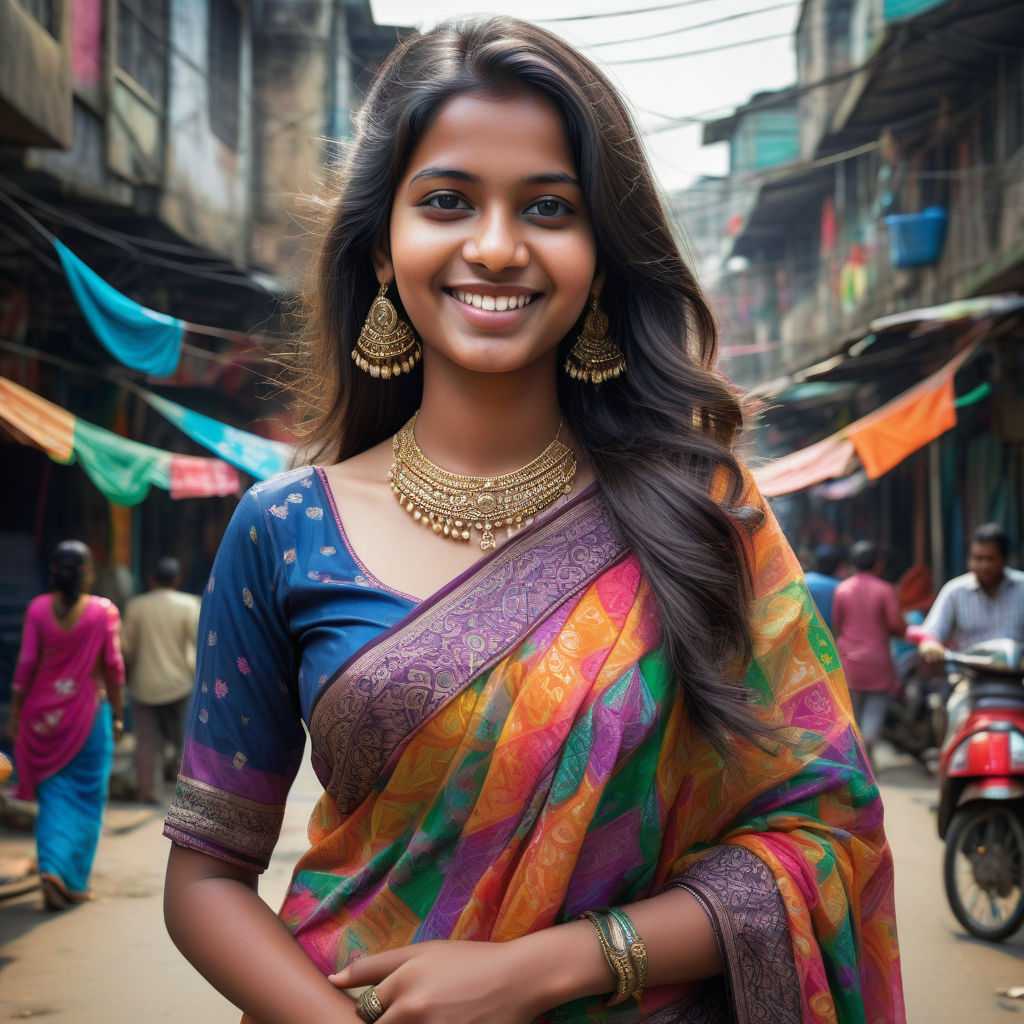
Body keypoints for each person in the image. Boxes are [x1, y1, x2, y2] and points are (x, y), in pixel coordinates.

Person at [162, 18, 904, 1024]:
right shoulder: (282, 529)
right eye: (446, 202)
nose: (497, 246)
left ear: (599, 257)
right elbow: (204, 880)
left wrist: (551, 964)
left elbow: (826, 835)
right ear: (383, 247)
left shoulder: (699, 519)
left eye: (548, 208)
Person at [6, 540, 124, 910]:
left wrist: (15, 715)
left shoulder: (38, 609)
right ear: (88, 572)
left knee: (52, 795)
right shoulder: (103, 611)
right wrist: (119, 716)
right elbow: (114, 669)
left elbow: (25, 665)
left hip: (40, 716)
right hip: (88, 715)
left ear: (53, 572)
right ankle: (68, 878)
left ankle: (52, 867)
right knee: (87, 799)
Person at [122, 556, 201, 804]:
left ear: (151, 579)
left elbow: (126, 649)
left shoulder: (136, 606)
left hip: (143, 685)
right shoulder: (189, 605)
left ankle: (147, 791)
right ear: (177, 579)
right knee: (184, 740)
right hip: (180, 684)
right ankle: (186, 794)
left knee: (146, 741)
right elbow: (200, 644)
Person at [832, 541, 906, 768]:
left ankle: (857, 757)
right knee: (875, 707)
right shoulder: (885, 589)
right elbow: (896, 625)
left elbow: (837, 625)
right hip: (878, 660)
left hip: (849, 660)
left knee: (853, 711)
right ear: (878, 564)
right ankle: (870, 742)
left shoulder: (842, 589)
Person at [918, 523, 1024, 661]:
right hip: (967, 676)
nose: (984, 566)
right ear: (969, 559)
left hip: (1015, 678)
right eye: (978, 558)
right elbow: (931, 633)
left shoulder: (1021, 587)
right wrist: (930, 645)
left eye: (990, 559)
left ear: (1004, 559)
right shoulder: (954, 591)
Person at [803, 542, 844, 632]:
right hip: (830, 641)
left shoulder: (802, 580)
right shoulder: (841, 587)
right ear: (838, 566)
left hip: (804, 638)